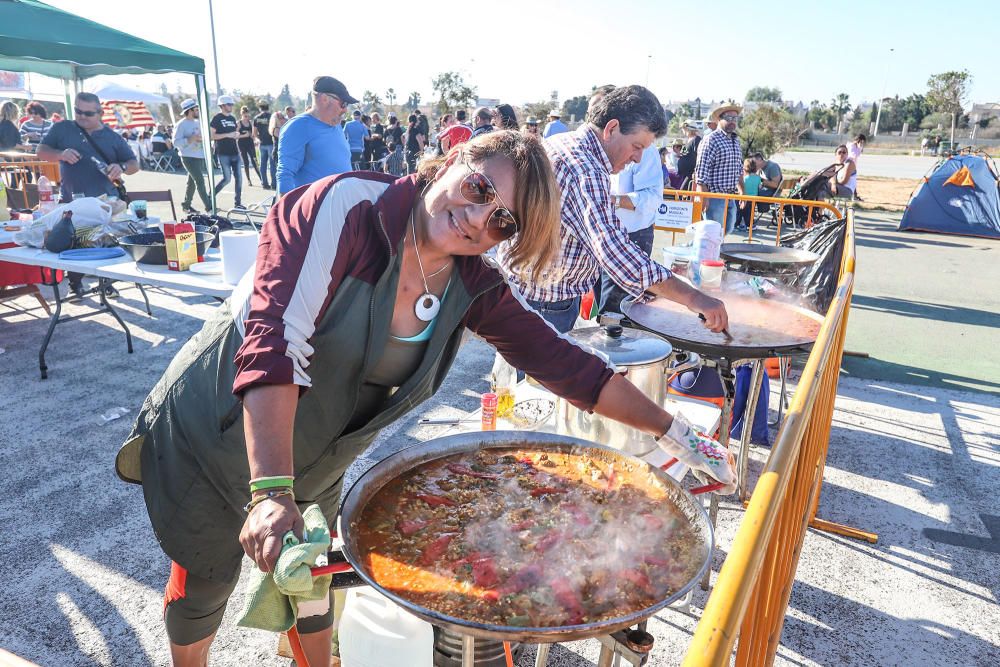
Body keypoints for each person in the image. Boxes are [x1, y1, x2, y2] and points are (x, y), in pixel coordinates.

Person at [116, 130, 737, 667]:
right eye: (479, 189)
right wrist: (270, 493)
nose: (478, 217)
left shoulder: (474, 281)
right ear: (452, 161)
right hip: (224, 421)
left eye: (503, 221)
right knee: (206, 576)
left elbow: (565, 366)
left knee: (313, 584)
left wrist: (676, 433)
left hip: (321, 446)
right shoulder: (344, 207)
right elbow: (275, 341)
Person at [500, 85, 728, 335]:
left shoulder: (561, 142)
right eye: (637, 146)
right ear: (611, 129)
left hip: (523, 292)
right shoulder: (587, 171)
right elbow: (616, 253)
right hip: (543, 304)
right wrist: (695, 299)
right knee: (540, 373)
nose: (638, 158)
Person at [37, 92, 139, 298]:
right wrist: (60, 154)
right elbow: (41, 151)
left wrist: (120, 167)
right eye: (78, 111)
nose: (82, 116)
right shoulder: (63, 128)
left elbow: (134, 165)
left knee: (105, 243)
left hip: (105, 202)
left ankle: (106, 282)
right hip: (72, 199)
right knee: (74, 243)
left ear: (100, 113)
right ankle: (76, 282)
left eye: (88, 113)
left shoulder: (112, 137)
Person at [599, 141, 665, 315]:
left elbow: (652, 197)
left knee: (615, 309)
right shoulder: (600, 143)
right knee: (601, 298)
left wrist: (614, 200)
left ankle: (612, 338)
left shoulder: (646, 150)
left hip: (633, 236)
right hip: (602, 232)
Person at [276, 76, 357, 195]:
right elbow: (285, 174)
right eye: (343, 104)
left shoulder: (336, 125)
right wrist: (287, 211)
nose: (345, 110)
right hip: (315, 210)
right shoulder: (298, 126)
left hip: (341, 208)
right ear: (324, 99)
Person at [695, 104, 744, 234]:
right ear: (719, 119)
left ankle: (715, 253)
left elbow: (738, 169)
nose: (733, 121)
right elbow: (701, 173)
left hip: (731, 196)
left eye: (735, 118)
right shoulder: (711, 140)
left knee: (726, 231)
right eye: (729, 117)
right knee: (712, 234)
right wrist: (703, 199)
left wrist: (742, 192)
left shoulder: (735, 141)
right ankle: (708, 254)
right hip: (714, 197)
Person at [173, 98, 213, 214]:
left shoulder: (198, 122)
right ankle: (209, 207)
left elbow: (202, 137)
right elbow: (175, 143)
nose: (198, 111)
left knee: (192, 183)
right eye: (196, 109)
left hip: (199, 156)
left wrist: (203, 141)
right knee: (200, 181)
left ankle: (186, 205)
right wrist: (190, 140)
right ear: (189, 110)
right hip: (188, 157)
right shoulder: (180, 125)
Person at [210, 95, 243, 208]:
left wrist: (236, 136)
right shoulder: (216, 118)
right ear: (222, 105)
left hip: (234, 152)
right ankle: (210, 196)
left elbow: (233, 134)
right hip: (223, 153)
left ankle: (238, 203)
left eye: (232, 104)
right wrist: (227, 135)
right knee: (227, 179)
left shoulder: (233, 118)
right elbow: (212, 136)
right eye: (229, 104)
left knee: (239, 178)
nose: (231, 106)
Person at [252, 101, 275, 189]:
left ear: (260, 108)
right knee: (272, 165)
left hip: (262, 144)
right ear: (268, 107)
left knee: (263, 164)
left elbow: (254, 133)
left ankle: (264, 183)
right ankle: (274, 184)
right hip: (271, 143)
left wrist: (259, 138)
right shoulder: (271, 117)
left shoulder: (256, 118)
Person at [237, 107, 260, 186]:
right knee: (246, 162)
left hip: (250, 143)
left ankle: (261, 178)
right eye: (245, 116)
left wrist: (254, 138)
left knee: (255, 161)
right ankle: (249, 180)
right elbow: (235, 136)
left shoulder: (251, 123)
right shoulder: (239, 123)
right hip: (242, 144)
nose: (247, 118)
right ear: (242, 115)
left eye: (248, 116)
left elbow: (254, 134)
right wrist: (244, 135)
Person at [736, 158, 761, 231]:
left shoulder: (744, 178)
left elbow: (741, 187)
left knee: (740, 211)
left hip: (745, 197)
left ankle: (737, 224)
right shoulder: (758, 178)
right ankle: (750, 225)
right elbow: (759, 186)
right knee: (750, 213)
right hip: (754, 198)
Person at [675, 120, 700, 188]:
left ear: (687, 129)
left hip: (690, 174)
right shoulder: (688, 140)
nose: (683, 131)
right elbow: (683, 154)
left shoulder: (696, 140)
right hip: (684, 174)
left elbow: (698, 156)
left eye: (684, 129)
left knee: (683, 194)